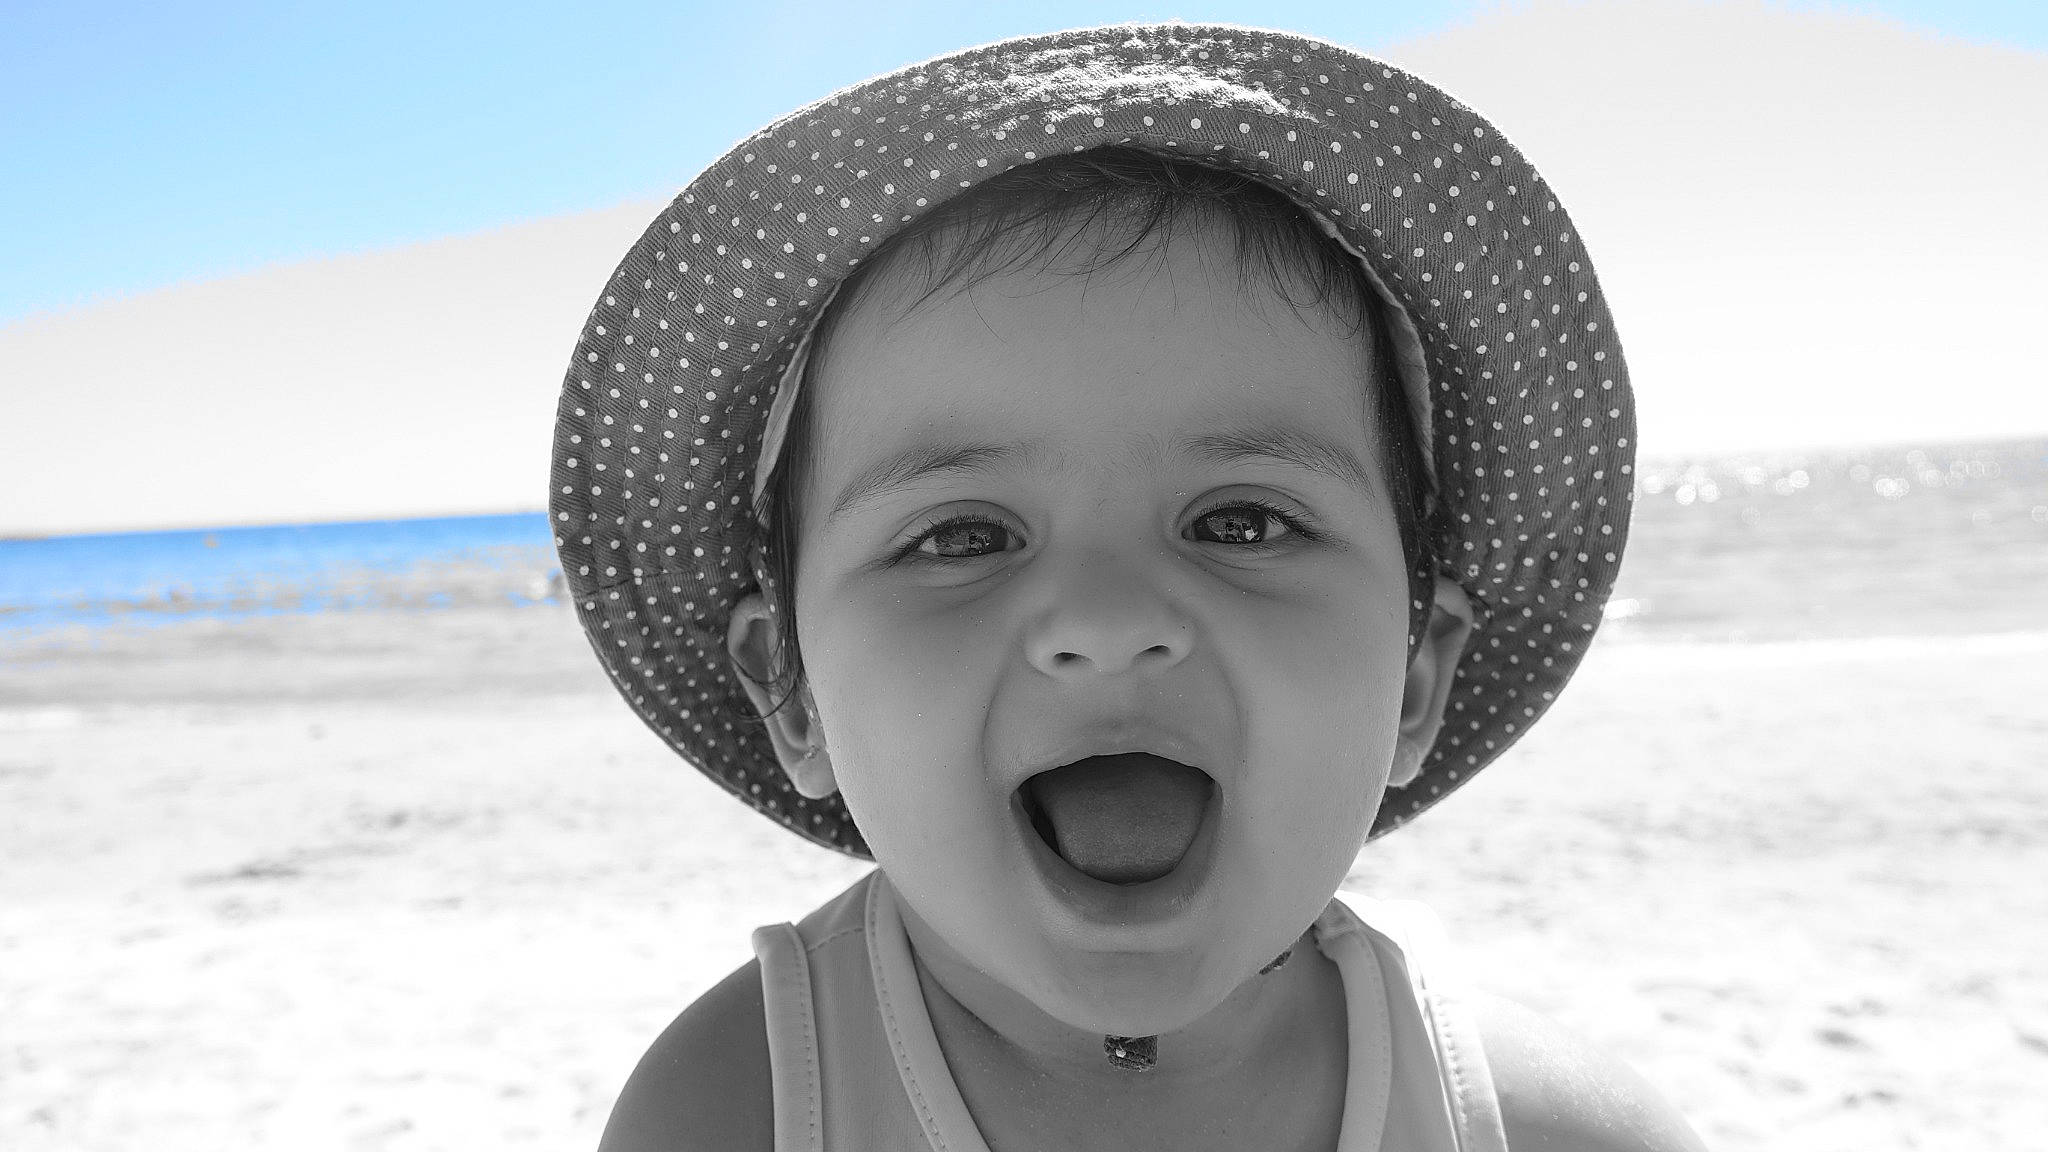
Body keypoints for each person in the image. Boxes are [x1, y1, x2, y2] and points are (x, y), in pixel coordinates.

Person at [553, 22, 1705, 1151]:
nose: (1108, 627)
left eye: (1239, 522)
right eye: (960, 536)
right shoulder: (732, 1111)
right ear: (791, 692)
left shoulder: (1549, 1125)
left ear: (1415, 676)